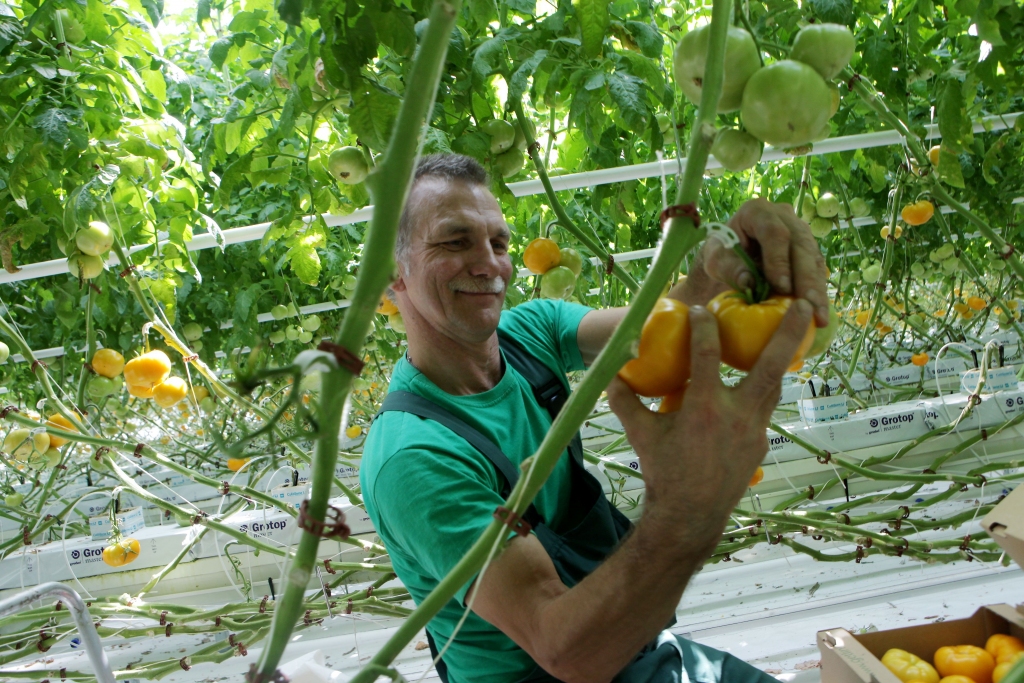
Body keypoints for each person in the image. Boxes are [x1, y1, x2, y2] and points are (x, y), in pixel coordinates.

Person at [360, 153, 829, 683]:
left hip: (628, 645)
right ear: (390, 275)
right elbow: (564, 650)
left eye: (498, 242)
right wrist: (687, 511)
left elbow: (654, 330)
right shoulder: (413, 456)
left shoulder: (528, 333)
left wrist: (720, 261)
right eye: (454, 241)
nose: (490, 264)